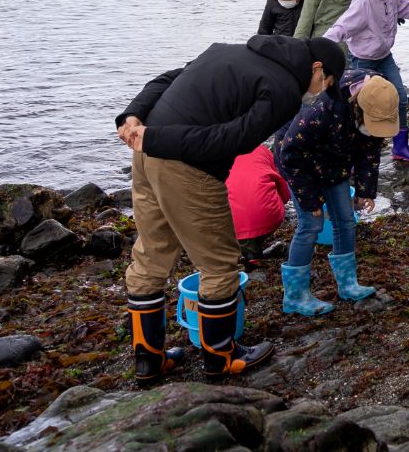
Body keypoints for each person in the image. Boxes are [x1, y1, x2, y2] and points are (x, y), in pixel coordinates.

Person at [116, 34, 345, 384]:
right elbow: (232, 140)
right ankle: (221, 357)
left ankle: (149, 361)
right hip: (184, 165)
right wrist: (155, 138)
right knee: (220, 265)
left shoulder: (231, 50)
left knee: (151, 255)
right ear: (316, 68)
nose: (319, 92)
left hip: (144, 157)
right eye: (325, 83)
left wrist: (132, 117)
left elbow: (166, 79)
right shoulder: (284, 90)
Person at [274, 71, 398, 314]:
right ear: (358, 107)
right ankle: (295, 297)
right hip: (300, 165)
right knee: (311, 224)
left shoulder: (381, 96)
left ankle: (348, 284)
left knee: (346, 220)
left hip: (335, 163)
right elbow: (290, 155)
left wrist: (365, 190)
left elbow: (370, 149)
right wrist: (310, 199)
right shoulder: (321, 112)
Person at [324, 0, 409, 163]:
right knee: (361, 108)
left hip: (384, 56)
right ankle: (355, 151)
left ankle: (400, 146)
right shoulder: (363, 1)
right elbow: (343, 26)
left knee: (399, 96)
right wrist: (321, 46)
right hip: (362, 60)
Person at [225, 145, 288, 264]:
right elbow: (283, 185)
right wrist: (280, 203)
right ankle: (254, 251)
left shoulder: (214, 153)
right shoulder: (261, 149)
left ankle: (250, 254)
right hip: (268, 217)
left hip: (232, 223)